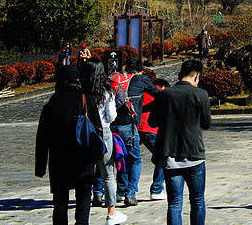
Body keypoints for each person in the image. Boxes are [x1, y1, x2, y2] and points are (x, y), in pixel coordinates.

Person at [149, 58, 212, 225]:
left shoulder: (164, 94)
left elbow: (152, 122)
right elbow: (206, 124)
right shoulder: (201, 94)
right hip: (194, 153)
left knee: (174, 203)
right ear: (197, 76)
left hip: (170, 155)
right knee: (197, 200)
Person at [35, 65, 99, 225]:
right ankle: (82, 223)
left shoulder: (51, 105)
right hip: (83, 157)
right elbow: (98, 129)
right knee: (84, 195)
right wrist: (97, 156)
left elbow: (42, 139)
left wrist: (40, 166)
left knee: (60, 201)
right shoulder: (86, 100)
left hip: (59, 160)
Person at [80, 59, 128, 224]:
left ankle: (83, 213)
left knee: (86, 173)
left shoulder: (81, 91)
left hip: (85, 134)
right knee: (108, 174)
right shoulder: (106, 91)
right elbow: (111, 116)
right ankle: (111, 213)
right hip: (104, 133)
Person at [110, 58, 160, 207]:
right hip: (128, 125)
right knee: (135, 159)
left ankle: (118, 192)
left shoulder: (116, 79)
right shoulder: (141, 79)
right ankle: (130, 194)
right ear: (141, 70)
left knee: (118, 159)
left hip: (111, 124)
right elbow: (158, 93)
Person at [138, 78, 169, 201]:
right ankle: (157, 189)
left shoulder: (143, 92)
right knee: (162, 156)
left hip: (136, 127)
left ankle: (123, 190)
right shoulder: (159, 92)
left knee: (129, 159)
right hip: (149, 129)